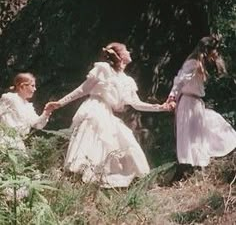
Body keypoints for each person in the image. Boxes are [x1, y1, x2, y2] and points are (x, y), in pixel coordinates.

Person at [45, 42, 169, 187]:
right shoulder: (103, 69)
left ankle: (109, 178)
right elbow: (82, 90)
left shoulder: (126, 80)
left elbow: (136, 103)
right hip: (95, 107)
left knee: (125, 139)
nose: (129, 52)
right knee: (94, 140)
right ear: (121, 55)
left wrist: (161, 107)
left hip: (107, 112)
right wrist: (60, 103)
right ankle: (82, 179)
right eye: (126, 50)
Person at [165, 34, 236, 167]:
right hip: (189, 103)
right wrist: (172, 98)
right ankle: (192, 165)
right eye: (215, 50)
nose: (216, 54)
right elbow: (179, 82)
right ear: (208, 50)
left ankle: (198, 164)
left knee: (207, 127)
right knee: (192, 135)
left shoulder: (199, 64)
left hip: (195, 102)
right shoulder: (193, 63)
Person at [0, 72, 53, 151]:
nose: (35, 89)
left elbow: (37, 125)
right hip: (4, 140)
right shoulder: (9, 98)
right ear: (23, 86)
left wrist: (47, 112)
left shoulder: (28, 106)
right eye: (32, 86)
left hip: (18, 143)